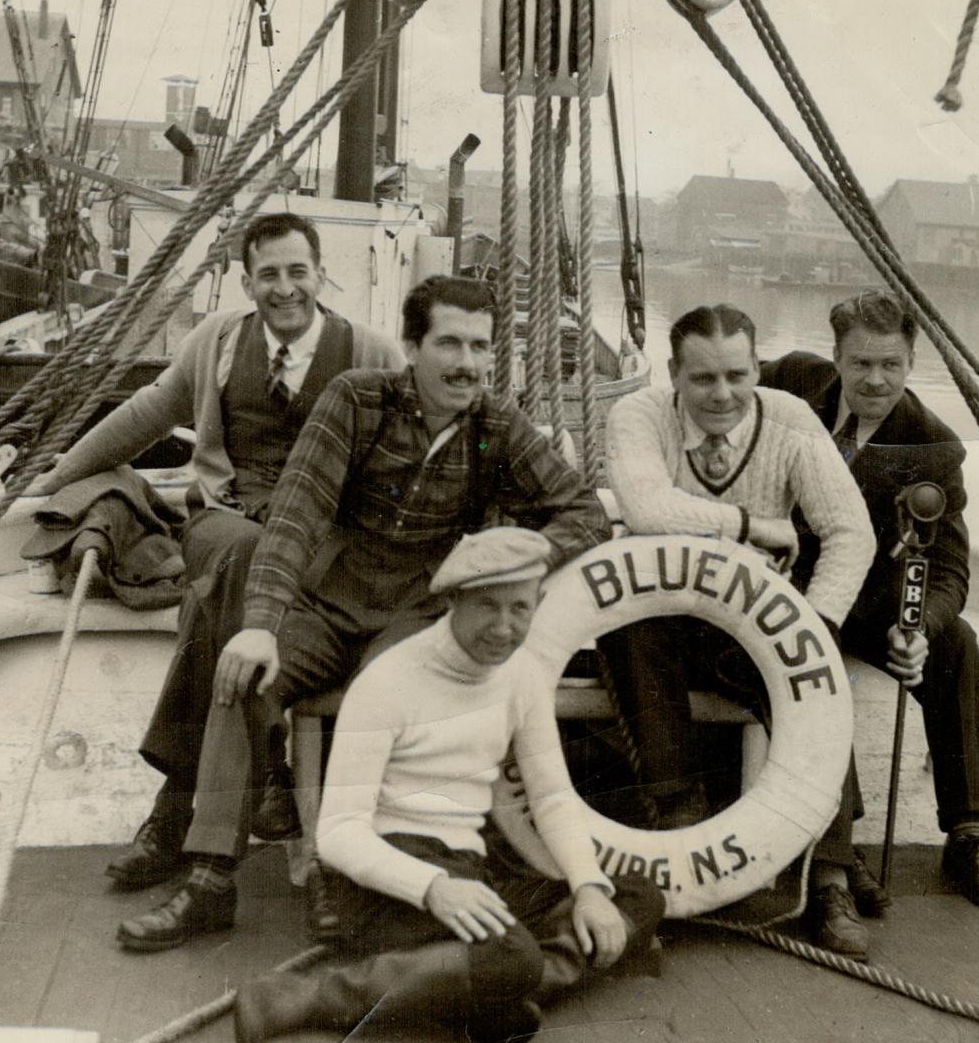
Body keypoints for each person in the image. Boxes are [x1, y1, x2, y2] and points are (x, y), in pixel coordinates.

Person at [114, 274, 612, 951]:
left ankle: (350, 878)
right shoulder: (357, 400)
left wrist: (511, 558)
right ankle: (209, 881)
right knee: (240, 677)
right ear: (411, 346)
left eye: (480, 347)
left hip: (417, 610)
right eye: (449, 344)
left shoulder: (497, 428)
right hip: (328, 597)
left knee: (388, 706)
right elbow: (293, 517)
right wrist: (260, 625)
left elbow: (581, 511)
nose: (467, 363)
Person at [35, 212, 404, 890]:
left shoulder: (370, 352)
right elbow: (145, 415)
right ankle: (269, 767)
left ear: (321, 275)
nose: (285, 288)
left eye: (298, 272)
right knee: (242, 553)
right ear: (247, 281)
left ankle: (173, 813)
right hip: (224, 523)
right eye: (269, 275)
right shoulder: (216, 342)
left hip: (322, 543)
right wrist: (55, 477)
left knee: (223, 596)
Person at [232, 526, 665, 1042]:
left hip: (468, 869)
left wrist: (591, 890)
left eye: (520, 608)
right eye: (487, 606)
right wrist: (433, 889)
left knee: (636, 896)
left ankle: (483, 993)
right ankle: (308, 996)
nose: (504, 628)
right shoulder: (387, 681)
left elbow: (552, 797)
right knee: (510, 954)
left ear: (539, 603)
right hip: (385, 882)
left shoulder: (522, 675)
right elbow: (339, 833)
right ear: (453, 601)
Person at [600, 303, 877, 958]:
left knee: (818, 672)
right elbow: (643, 506)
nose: (721, 395)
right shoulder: (637, 416)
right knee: (627, 630)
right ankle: (679, 824)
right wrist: (746, 526)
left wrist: (814, 622)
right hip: (666, 620)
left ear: (755, 367)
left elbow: (848, 531)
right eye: (702, 380)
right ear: (673, 374)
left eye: (735, 375)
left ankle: (831, 874)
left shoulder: (789, 421)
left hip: (755, 627)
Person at [760, 289, 979, 911]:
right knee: (814, 664)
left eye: (890, 365)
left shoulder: (934, 446)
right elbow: (723, 401)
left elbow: (950, 567)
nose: (875, 380)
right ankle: (842, 851)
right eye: (861, 364)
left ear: (910, 362)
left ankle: (968, 833)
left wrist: (921, 626)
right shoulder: (790, 381)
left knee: (957, 645)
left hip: (871, 601)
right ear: (836, 358)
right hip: (790, 590)